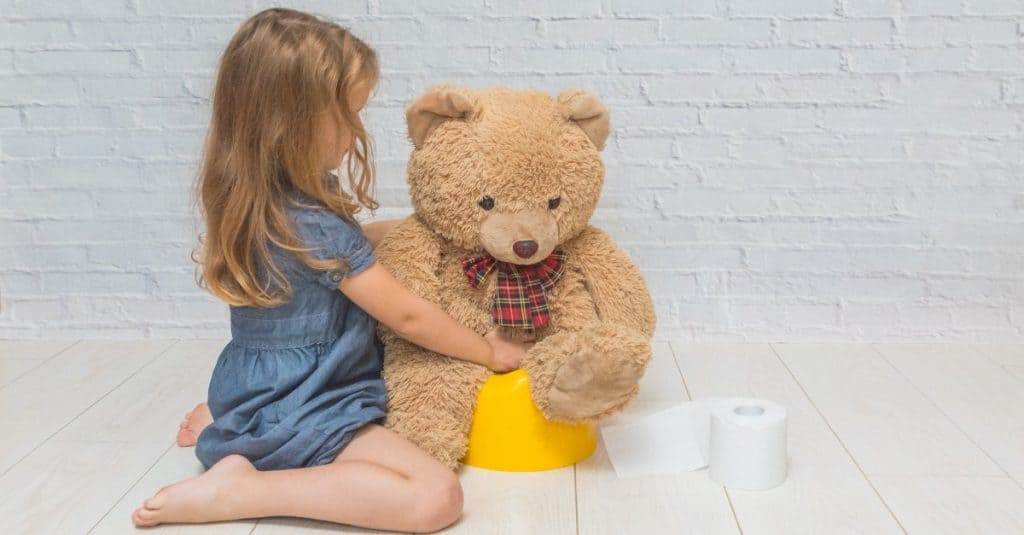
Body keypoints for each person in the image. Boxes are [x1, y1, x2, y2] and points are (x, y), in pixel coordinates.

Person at [132, 8, 532, 532]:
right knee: (436, 498)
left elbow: (339, 252)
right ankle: (246, 491)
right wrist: (489, 351)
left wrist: (424, 229)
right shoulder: (317, 226)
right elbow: (408, 317)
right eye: (348, 115)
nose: (356, 131)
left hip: (254, 387)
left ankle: (233, 419)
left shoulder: (259, 200)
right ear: (288, 123)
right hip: (312, 400)